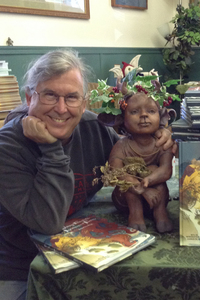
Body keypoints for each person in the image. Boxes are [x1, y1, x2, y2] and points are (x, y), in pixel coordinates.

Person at [0, 49, 175, 300]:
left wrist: (163, 135)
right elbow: (48, 222)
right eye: (49, 95)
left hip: (82, 260)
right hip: (21, 269)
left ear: (83, 105)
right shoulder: (8, 147)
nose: (61, 108)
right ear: (29, 98)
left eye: (72, 97)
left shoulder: (94, 128)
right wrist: (51, 149)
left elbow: (130, 156)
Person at [103, 83, 174, 233]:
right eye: (135, 111)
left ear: (160, 117)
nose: (144, 115)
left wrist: (149, 181)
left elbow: (166, 170)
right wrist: (142, 188)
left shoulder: (162, 143)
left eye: (151, 111)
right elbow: (116, 172)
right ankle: (136, 215)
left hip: (156, 197)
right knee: (128, 180)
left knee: (154, 170)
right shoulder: (121, 146)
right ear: (122, 119)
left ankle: (160, 214)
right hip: (126, 201)